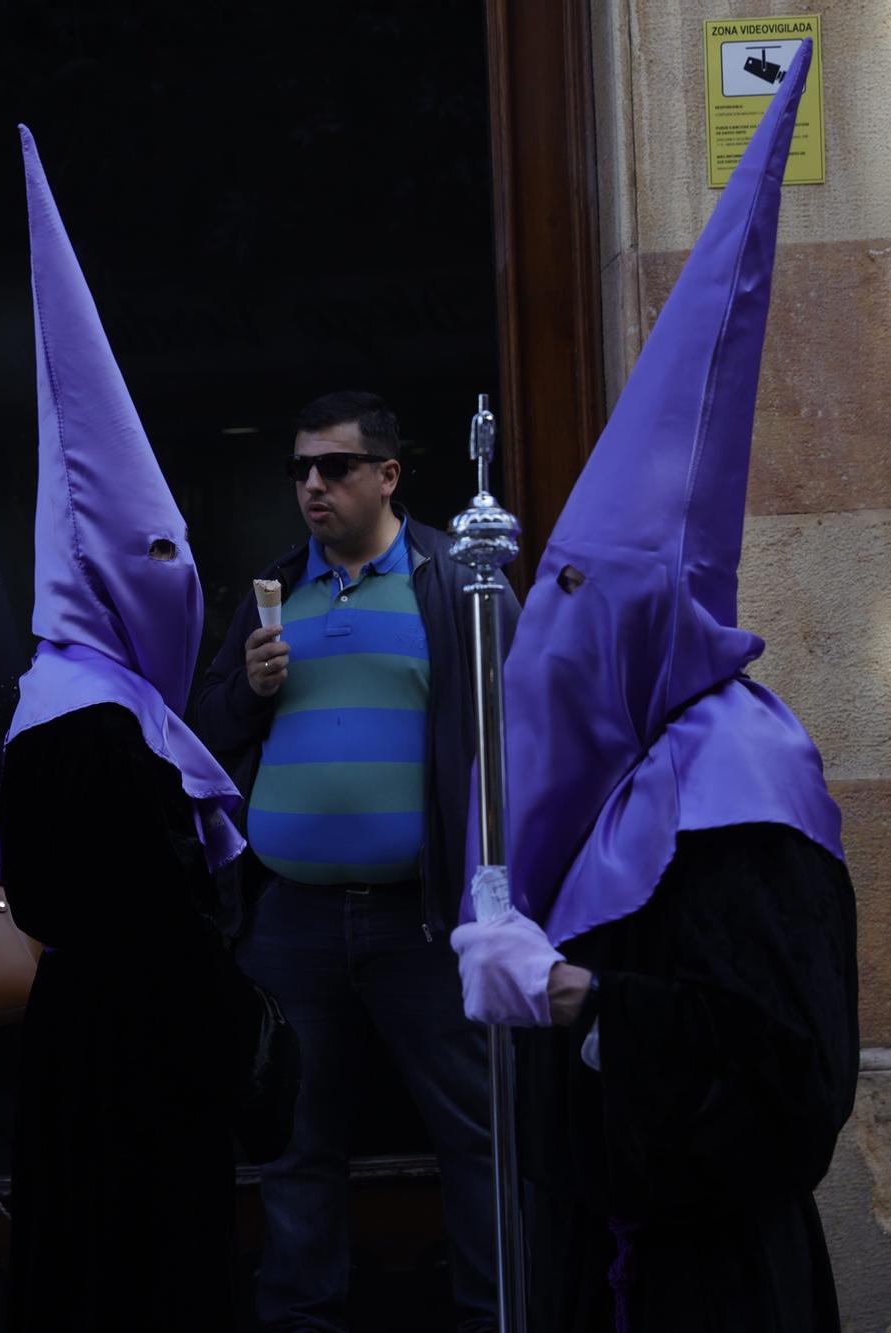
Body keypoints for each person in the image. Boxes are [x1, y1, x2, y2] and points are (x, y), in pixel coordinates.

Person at [450, 44, 859, 1332]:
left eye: (579, 597)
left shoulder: (738, 783)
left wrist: (580, 995)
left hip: (706, 1283)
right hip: (606, 1247)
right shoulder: (630, 764)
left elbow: (785, 1075)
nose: (556, 629)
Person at [1, 125, 269, 1331]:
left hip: (92, 1061)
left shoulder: (70, 704)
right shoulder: (95, 727)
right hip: (137, 1074)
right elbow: (161, 931)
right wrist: (235, 1038)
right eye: (154, 554)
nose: (178, 576)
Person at [190, 389, 515, 1331]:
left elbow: (522, 730)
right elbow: (202, 743)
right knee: (296, 1145)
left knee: (476, 1134)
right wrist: (247, 694)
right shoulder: (271, 593)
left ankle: (496, 1314)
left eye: (333, 466)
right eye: (299, 468)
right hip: (289, 920)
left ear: (388, 474)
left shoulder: (459, 581)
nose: (313, 485)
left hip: (424, 916)